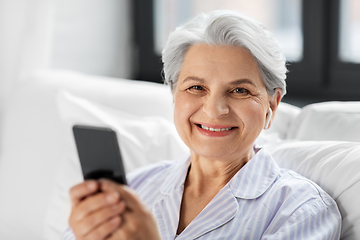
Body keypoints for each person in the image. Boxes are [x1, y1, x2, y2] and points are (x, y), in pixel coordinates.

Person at [62, 10, 341, 240]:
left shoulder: (302, 210)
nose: (214, 110)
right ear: (174, 95)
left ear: (272, 105)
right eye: (196, 87)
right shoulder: (134, 189)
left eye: (240, 91)